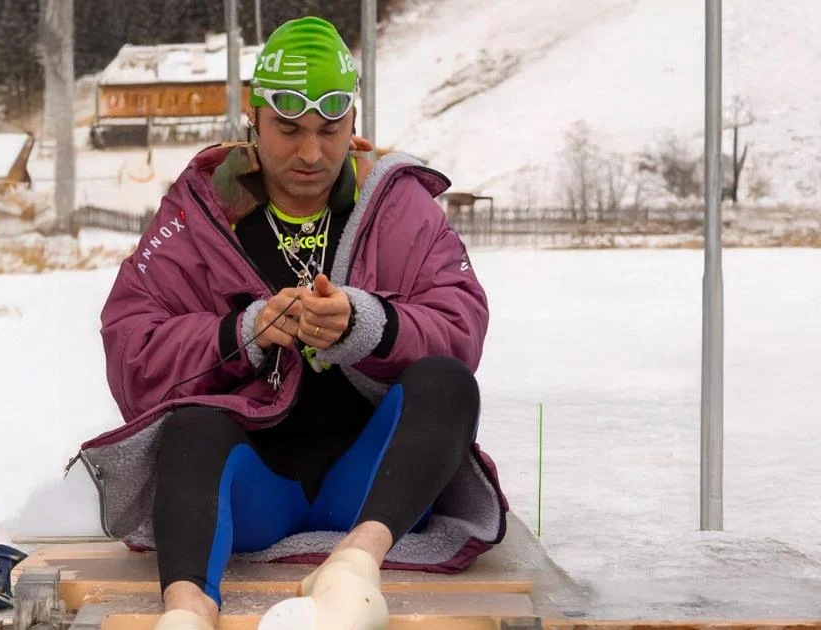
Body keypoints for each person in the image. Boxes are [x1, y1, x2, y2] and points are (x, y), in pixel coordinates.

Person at [85, 16, 508, 630]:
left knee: (447, 383)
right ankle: (186, 611)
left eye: (329, 130)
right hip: (253, 490)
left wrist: (370, 324)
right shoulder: (200, 213)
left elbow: (459, 323)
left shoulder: (397, 204)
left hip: (373, 488)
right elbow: (131, 350)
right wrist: (244, 332)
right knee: (193, 427)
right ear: (253, 120)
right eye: (288, 129)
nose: (311, 153)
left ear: (352, 123)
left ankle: (353, 566)